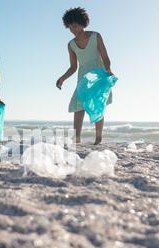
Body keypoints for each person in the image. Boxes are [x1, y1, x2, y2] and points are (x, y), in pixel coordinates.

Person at [56, 7, 114, 145]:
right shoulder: (71, 45)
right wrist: (62, 78)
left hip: (98, 74)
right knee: (78, 105)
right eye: (70, 27)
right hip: (83, 77)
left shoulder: (96, 36)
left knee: (97, 105)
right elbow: (73, 67)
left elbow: (105, 57)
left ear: (82, 23)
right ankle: (76, 138)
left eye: (75, 25)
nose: (73, 29)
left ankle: (98, 139)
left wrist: (108, 69)